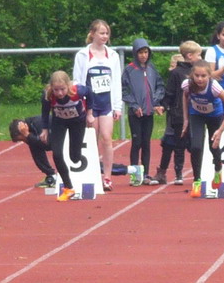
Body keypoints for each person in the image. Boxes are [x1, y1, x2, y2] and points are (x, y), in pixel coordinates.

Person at [73, 19, 122, 192]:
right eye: (101, 33)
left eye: (107, 33)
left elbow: (116, 81)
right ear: (92, 34)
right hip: (90, 104)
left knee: (107, 138)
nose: (104, 36)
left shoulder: (113, 55)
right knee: (92, 139)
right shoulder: (82, 55)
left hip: (106, 102)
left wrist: (117, 106)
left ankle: (107, 177)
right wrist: (80, 104)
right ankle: (92, 174)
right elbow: (77, 81)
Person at [182, 60, 224, 198]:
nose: (200, 79)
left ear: (209, 76)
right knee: (196, 147)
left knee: (214, 146)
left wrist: (221, 130)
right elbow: (185, 97)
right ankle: (197, 181)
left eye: (203, 76)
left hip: (214, 116)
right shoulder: (187, 85)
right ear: (192, 75)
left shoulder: (214, 87)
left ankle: (218, 169)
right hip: (196, 115)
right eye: (197, 76)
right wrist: (186, 119)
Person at [40, 70, 94, 202]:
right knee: (57, 154)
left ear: (68, 86)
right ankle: (68, 188)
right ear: (51, 88)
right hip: (59, 123)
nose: (59, 93)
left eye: (62, 89)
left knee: (75, 158)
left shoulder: (77, 91)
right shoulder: (48, 95)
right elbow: (45, 112)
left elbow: (90, 93)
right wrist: (44, 129)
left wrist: (89, 114)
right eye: (56, 90)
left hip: (77, 122)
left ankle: (92, 163)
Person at [156, 42, 201, 185]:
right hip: (179, 115)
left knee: (196, 146)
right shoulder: (176, 73)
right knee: (179, 146)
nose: (200, 57)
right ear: (190, 56)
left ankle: (198, 174)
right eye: (198, 55)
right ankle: (178, 174)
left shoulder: (199, 71)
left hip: (197, 113)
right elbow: (169, 93)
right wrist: (163, 106)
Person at [122, 38, 165, 186]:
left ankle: (146, 174)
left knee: (146, 143)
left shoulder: (152, 68)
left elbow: (160, 86)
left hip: (149, 113)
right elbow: (124, 90)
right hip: (135, 114)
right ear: (135, 53)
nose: (143, 55)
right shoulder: (129, 70)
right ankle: (135, 174)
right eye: (140, 52)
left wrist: (155, 102)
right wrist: (134, 105)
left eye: (146, 52)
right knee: (137, 142)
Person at [8, 116, 58, 188]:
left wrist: (27, 135)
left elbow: (47, 145)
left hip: (68, 136)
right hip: (57, 139)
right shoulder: (32, 128)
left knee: (34, 142)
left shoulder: (38, 124)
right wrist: (29, 137)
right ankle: (51, 176)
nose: (25, 142)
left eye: (23, 139)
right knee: (33, 143)